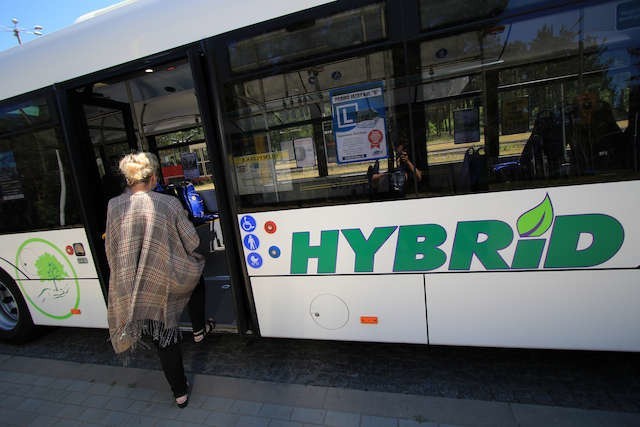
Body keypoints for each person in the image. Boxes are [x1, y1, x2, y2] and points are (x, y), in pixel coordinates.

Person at [104, 152, 204, 408]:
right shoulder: (167, 203)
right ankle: (198, 329)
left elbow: (112, 249)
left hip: (135, 284)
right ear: (153, 177)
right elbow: (191, 241)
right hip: (166, 279)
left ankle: (179, 394)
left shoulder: (114, 205)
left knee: (162, 338)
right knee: (195, 274)